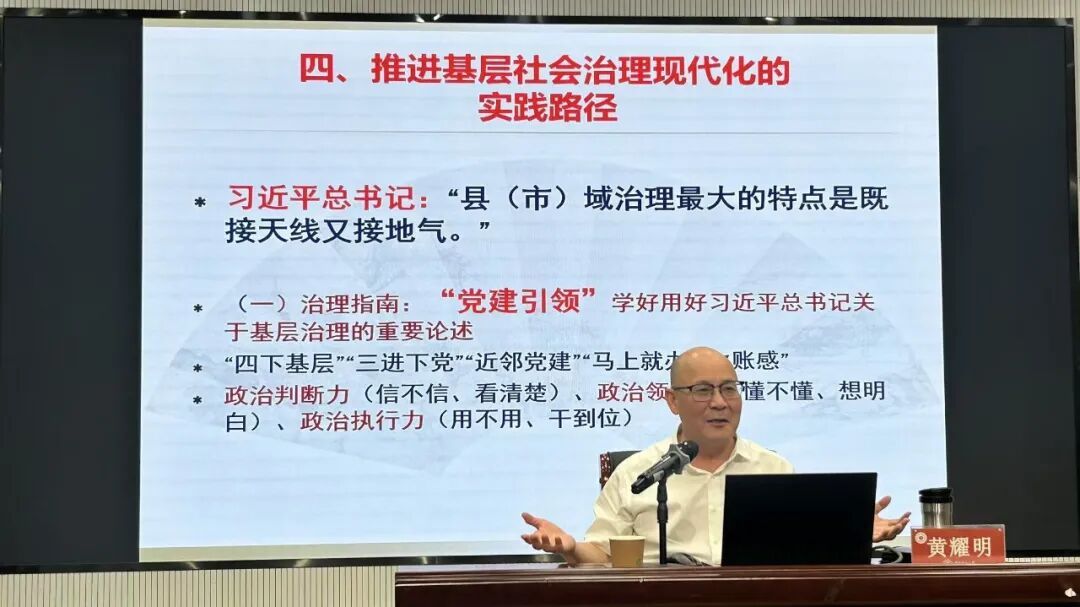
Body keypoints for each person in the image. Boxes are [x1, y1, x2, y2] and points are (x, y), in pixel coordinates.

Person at [521, 346, 910, 565]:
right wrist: (569, 547)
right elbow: (603, 555)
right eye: (703, 390)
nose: (720, 402)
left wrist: (852, 535)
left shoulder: (772, 469)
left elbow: (801, 557)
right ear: (673, 401)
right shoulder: (638, 472)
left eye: (729, 389)